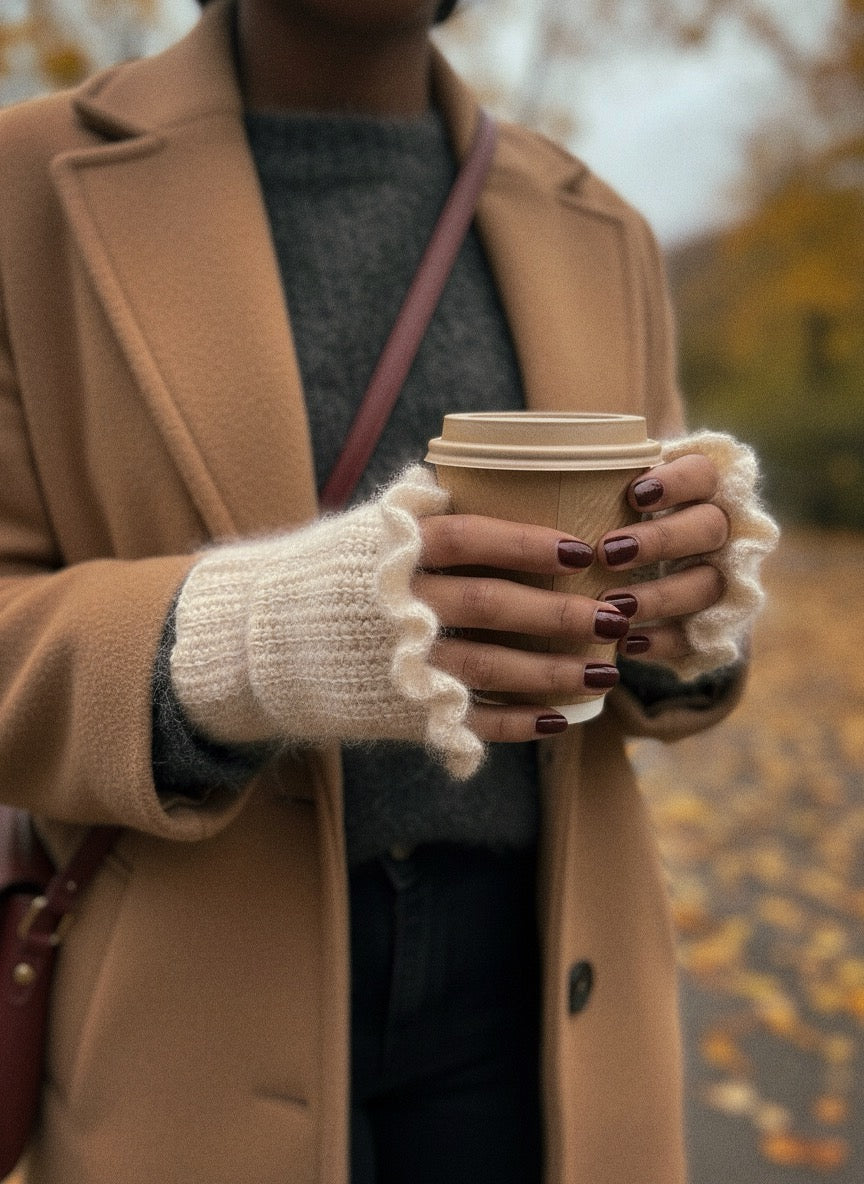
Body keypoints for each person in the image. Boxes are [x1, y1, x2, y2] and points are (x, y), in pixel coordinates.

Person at [0, 0, 777, 1181]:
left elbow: (655, 651)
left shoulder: (598, 223)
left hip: (547, 986)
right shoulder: (27, 187)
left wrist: (687, 609)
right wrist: (253, 638)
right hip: (182, 1000)